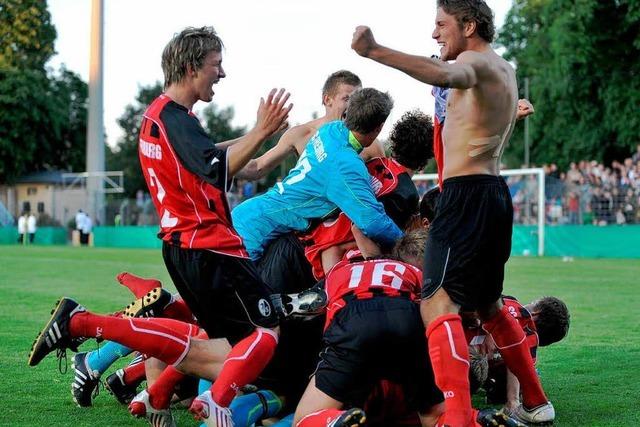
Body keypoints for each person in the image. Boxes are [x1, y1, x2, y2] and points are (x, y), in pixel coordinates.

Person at [29, 26, 292, 427]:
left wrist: (272, 141)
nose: (221, 74)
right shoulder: (177, 121)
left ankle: (149, 386)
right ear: (190, 67)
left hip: (184, 247)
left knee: (222, 346)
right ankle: (213, 404)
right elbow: (216, 169)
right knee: (264, 332)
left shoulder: (159, 117)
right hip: (210, 247)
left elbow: (229, 160)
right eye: (215, 65)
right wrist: (259, 130)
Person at [352, 1, 555, 425]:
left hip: (466, 196)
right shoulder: (505, 69)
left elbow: (445, 74)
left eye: (441, 25)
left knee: (437, 306)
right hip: (493, 195)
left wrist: (375, 51)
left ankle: (457, 419)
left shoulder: (472, 63)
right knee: (490, 306)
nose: (434, 34)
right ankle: (536, 403)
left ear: (469, 25)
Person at [232, 87, 403, 262]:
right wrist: (408, 243)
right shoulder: (345, 164)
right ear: (379, 128)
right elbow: (372, 222)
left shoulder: (330, 130)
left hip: (249, 215)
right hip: (253, 232)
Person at [236, 70, 384, 181]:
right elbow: (256, 168)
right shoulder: (302, 134)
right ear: (327, 99)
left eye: (357, 99)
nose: (353, 106)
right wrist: (216, 163)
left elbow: (386, 186)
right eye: (346, 99)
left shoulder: (370, 143)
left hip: (348, 220)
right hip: (306, 219)